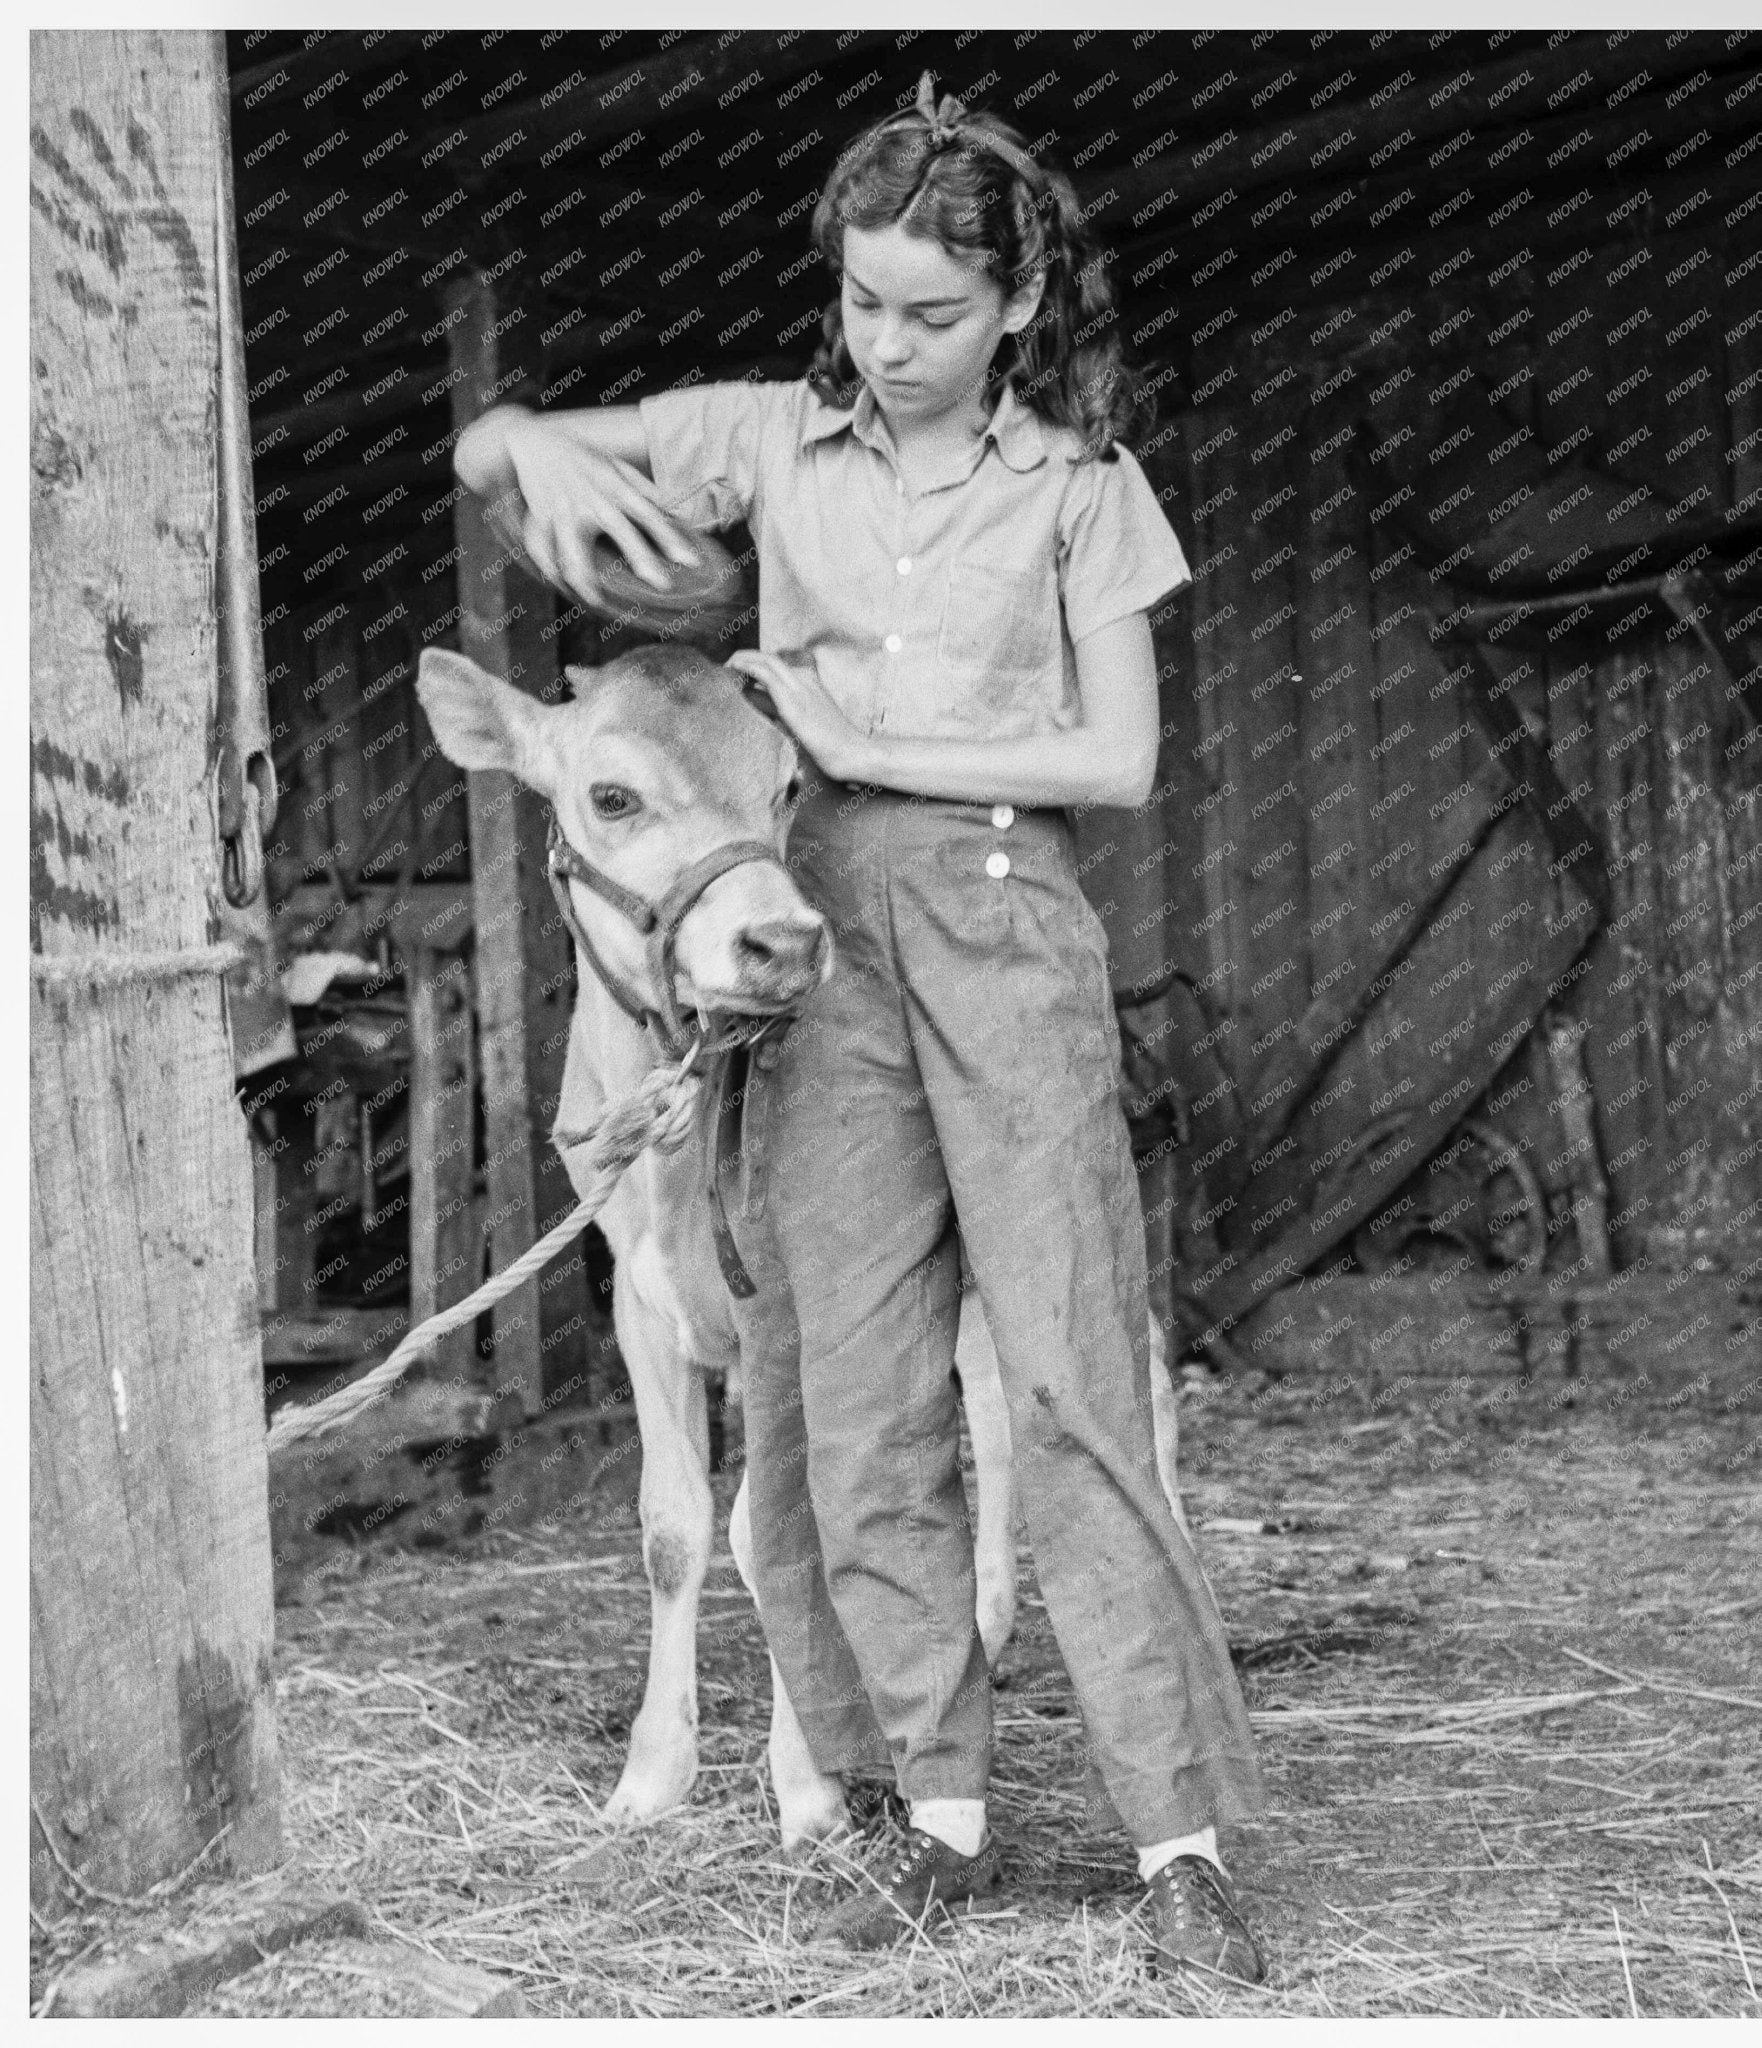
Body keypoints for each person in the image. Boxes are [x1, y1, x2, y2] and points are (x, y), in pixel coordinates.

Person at [452, 71, 1266, 1984]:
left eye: (933, 312)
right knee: (846, 1392)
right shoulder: (766, 439)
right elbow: (507, 452)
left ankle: (1183, 1842)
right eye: (863, 301)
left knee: (1070, 1373)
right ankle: (932, 1816)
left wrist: (855, 744)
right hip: (806, 949)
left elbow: (1122, 759)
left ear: (1019, 310)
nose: (887, 345)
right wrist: (520, 449)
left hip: (999, 921)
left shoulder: (1078, 490)